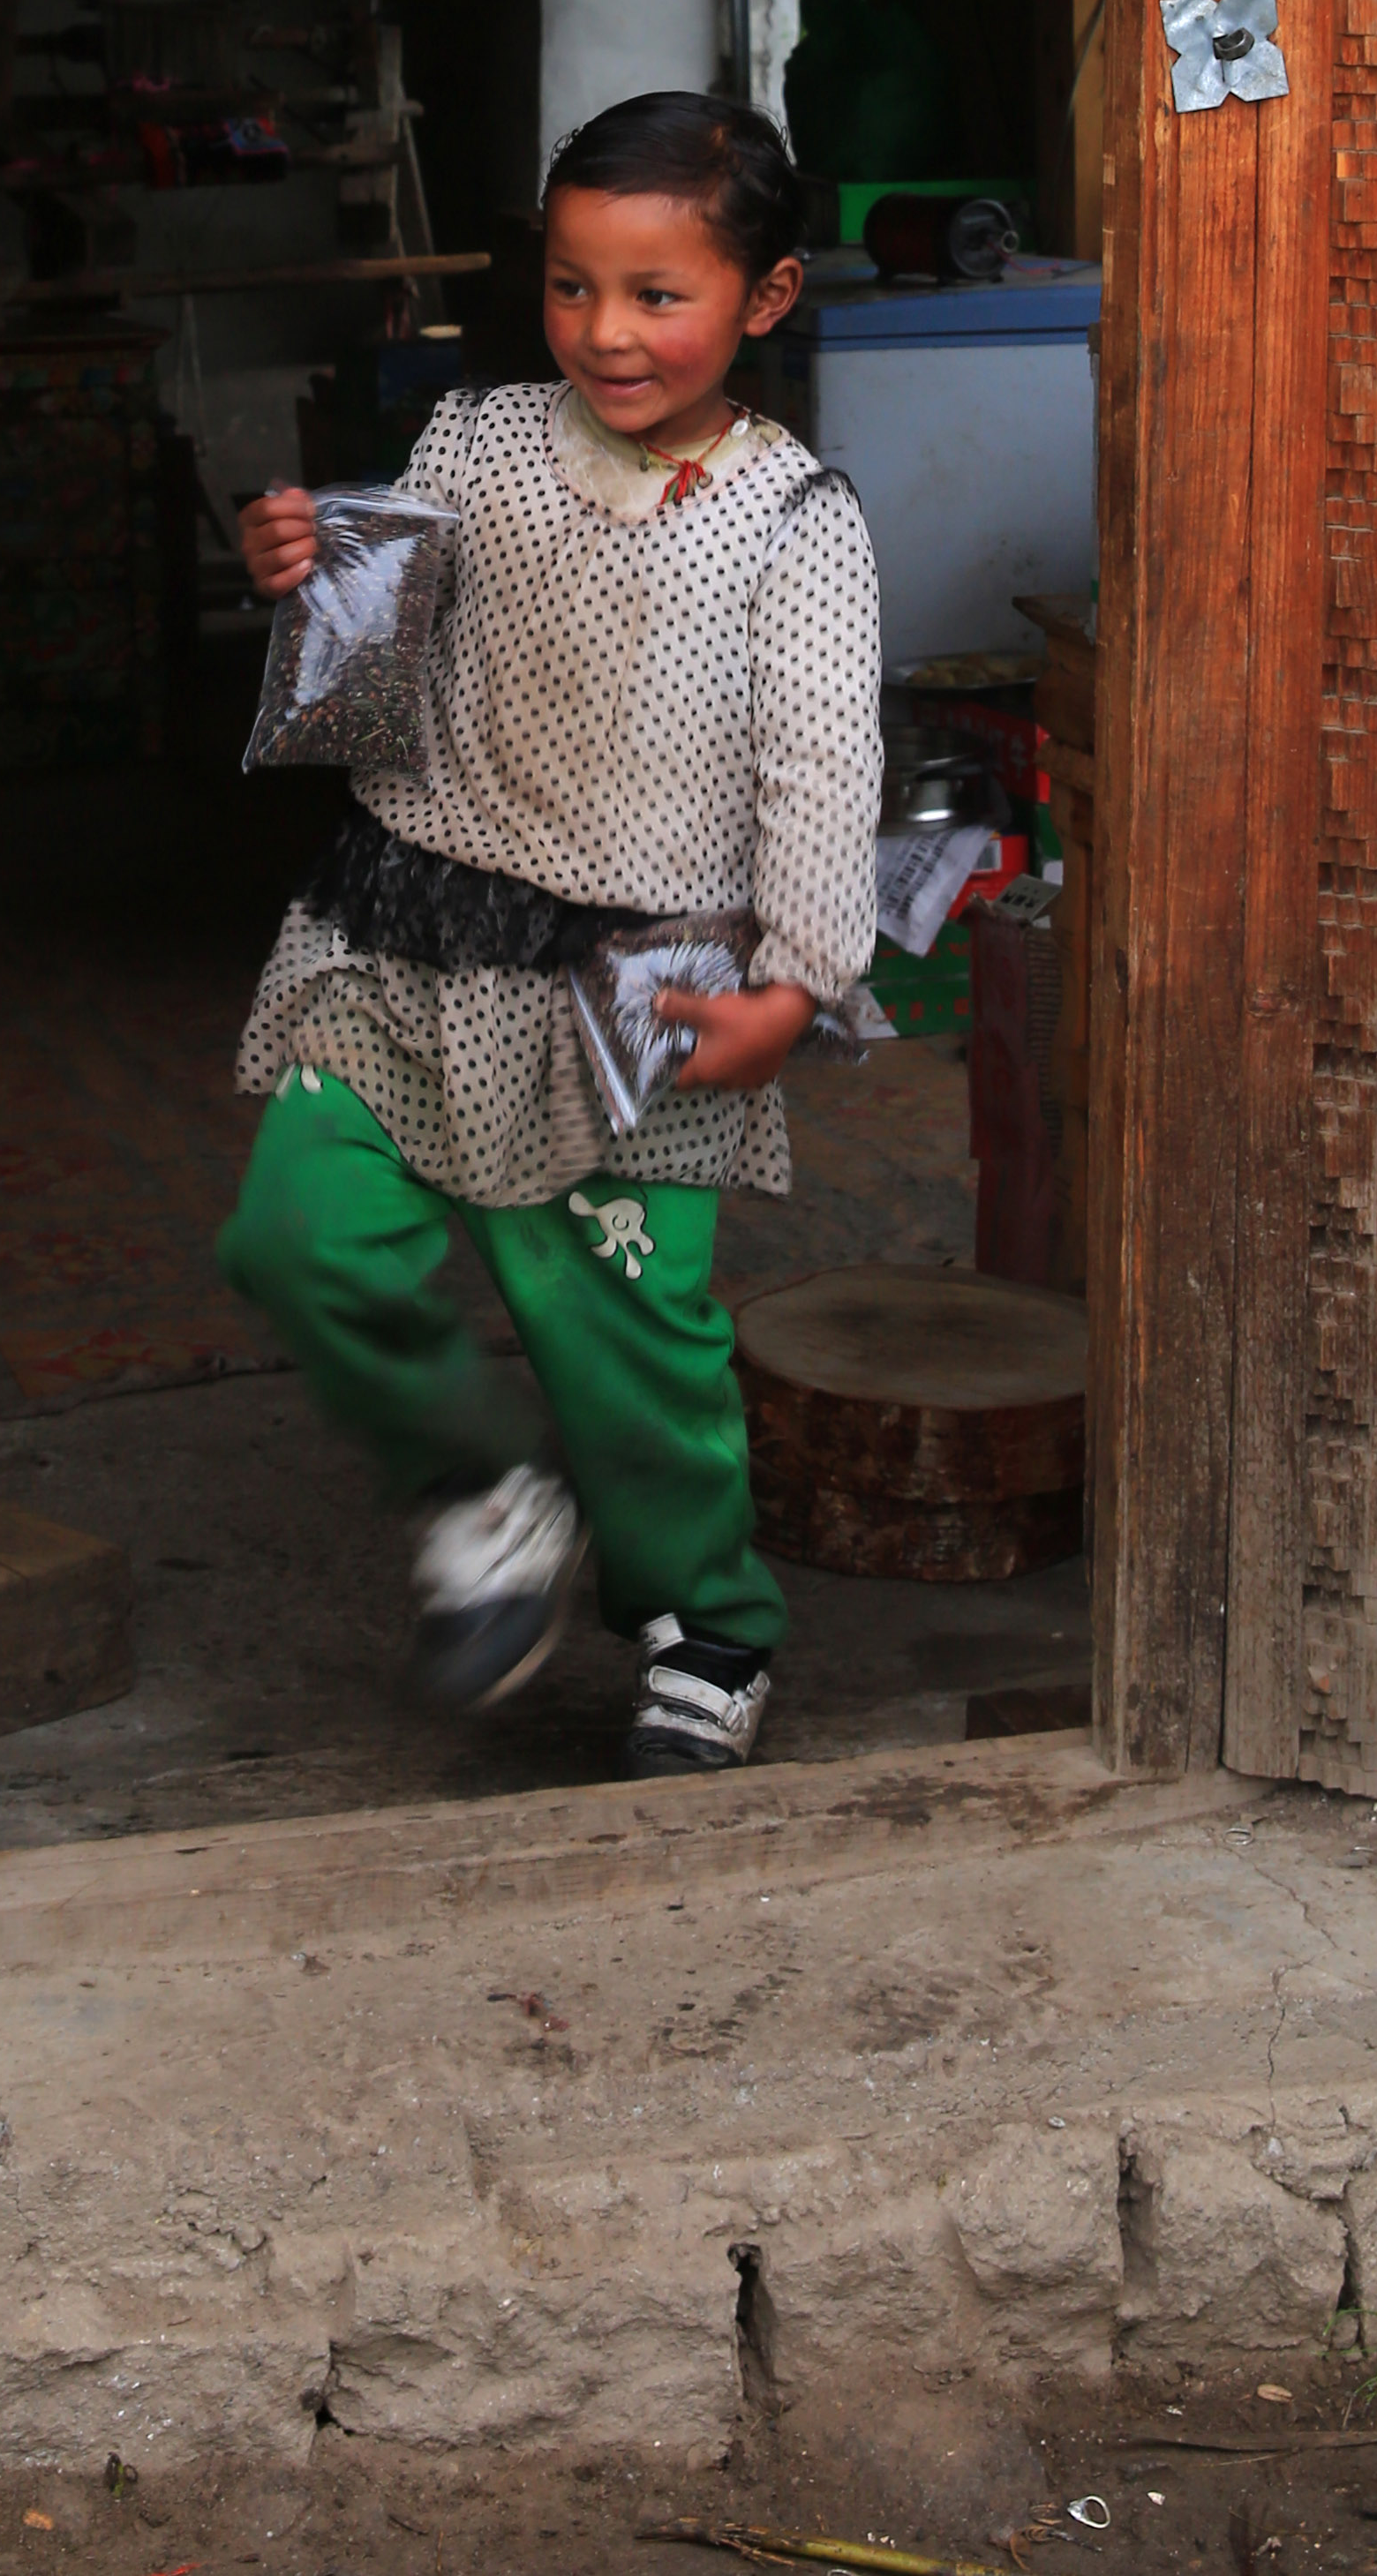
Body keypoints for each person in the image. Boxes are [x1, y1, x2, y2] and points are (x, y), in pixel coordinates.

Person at [218, 89, 882, 1779]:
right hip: (406, 928)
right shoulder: (474, 441)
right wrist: (305, 580)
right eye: (576, 287)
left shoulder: (800, 525)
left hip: (634, 988)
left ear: (766, 299)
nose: (607, 331)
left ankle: (710, 1625)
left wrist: (798, 986)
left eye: (661, 294)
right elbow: (370, 694)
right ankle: (484, 1489)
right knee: (298, 1234)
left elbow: (821, 771)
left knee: (622, 1329)